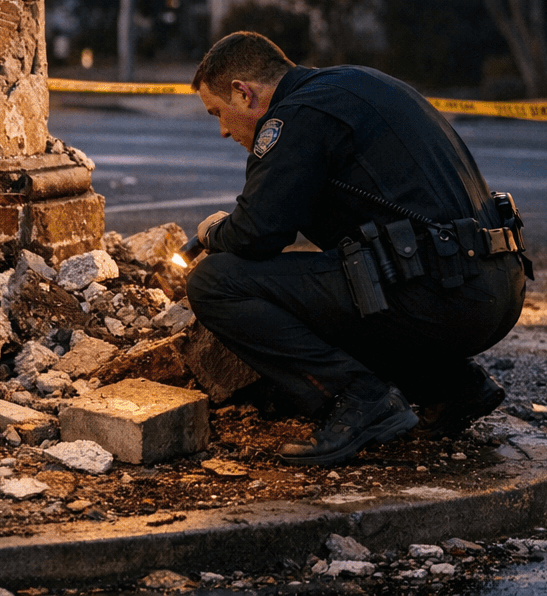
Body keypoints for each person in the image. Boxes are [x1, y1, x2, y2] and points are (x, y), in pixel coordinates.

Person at [184, 31, 527, 466]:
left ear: (242, 93)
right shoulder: (357, 82)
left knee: (216, 283)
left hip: (445, 298)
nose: (221, 131)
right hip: (496, 288)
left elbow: (256, 234)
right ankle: (451, 386)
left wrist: (214, 232)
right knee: (350, 273)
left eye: (218, 112)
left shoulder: (295, 115)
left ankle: (358, 400)